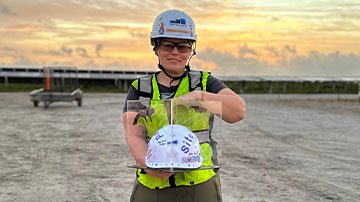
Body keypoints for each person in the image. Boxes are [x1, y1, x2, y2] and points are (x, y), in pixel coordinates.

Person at [123, 9, 246, 202]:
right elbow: (135, 134)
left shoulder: (204, 82)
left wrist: (200, 97)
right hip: (153, 183)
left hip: (199, 182)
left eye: (182, 47)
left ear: (191, 51)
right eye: (167, 45)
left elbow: (238, 111)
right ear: (156, 47)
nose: (175, 52)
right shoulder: (142, 88)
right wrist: (149, 164)